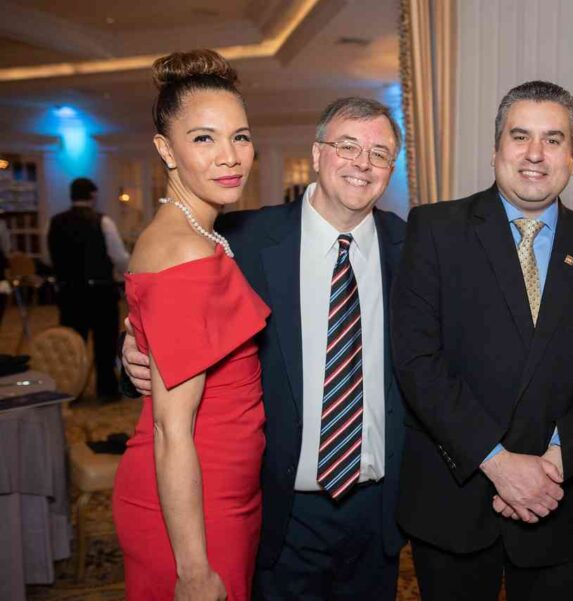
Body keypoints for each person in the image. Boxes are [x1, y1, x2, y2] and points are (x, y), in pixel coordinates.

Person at [123, 96, 407, 600]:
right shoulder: (238, 241)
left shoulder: (415, 251)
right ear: (317, 154)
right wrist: (131, 349)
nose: (363, 163)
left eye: (380, 152)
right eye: (347, 146)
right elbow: (163, 306)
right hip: (279, 509)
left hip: (376, 510)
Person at [390, 80, 573, 600]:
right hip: (455, 498)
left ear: (572, 157)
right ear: (495, 148)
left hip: (560, 501)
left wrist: (551, 464)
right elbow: (417, 361)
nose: (534, 154)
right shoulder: (435, 229)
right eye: (519, 135)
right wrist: (498, 463)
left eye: (552, 139)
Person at [112, 49, 270, 600]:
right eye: (204, 138)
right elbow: (169, 429)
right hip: (192, 511)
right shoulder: (183, 251)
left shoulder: (196, 233)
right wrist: (194, 569)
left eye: (240, 137)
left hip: (217, 488)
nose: (231, 158)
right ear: (166, 149)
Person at [47, 176, 130, 400]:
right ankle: (107, 390)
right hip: (100, 292)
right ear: (93, 195)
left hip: (69, 292)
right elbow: (119, 257)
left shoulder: (55, 222)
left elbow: (50, 257)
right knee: (105, 343)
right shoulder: (103, 222)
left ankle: (71, 390)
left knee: (73, 343)